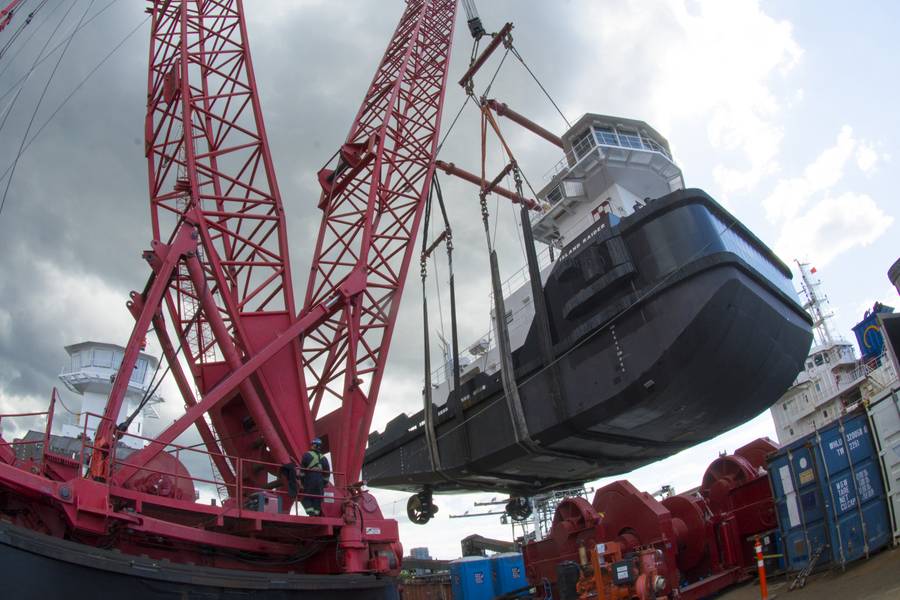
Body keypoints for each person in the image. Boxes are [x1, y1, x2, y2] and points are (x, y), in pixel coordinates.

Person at [300, 437, 330, 516]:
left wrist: (302, 482)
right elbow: (327, 473)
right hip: (320, 481)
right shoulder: (324, 458)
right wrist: (324, 483)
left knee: (306, 498)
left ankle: (311, 513)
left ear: (313, 445)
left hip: (310, 479)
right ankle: (316, 514)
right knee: (318, 498)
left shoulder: (307, 455)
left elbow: (302, 472)